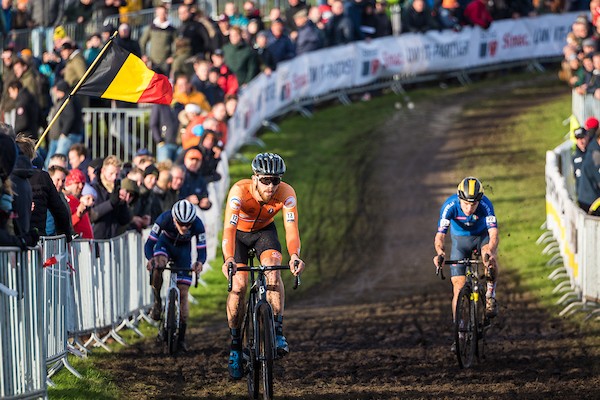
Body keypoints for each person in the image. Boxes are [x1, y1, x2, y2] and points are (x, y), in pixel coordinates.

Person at [221, 153, 305, 379]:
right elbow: (228, 229)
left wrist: (295, 255)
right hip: (239, 235)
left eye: (276, 180)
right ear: (255, 178)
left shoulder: (287, 193)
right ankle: (236, 346)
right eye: (266, 180)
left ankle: (277, 331)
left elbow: (291, 229)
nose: (271, 186)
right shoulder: (239, 191)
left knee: (273, 270)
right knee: (238, 286)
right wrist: (229, 258)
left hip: (264, 234)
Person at [432, 177, 499, 350]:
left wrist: (490, 251)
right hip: (459, 242)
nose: (469, 208)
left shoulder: (485, 205)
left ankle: (490, 294)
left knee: (488, 258)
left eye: (473, 204)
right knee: (458, 287)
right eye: (466, 204)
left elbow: (493, 235)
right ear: (459, 199)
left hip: (481, 238)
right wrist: (440, 253)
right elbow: (440, 236)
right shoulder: (449, 206)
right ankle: (459, 330)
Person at [144, 199, 206, 351]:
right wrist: (150, 259)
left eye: (188, 224)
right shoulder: (163, 219)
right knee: (159, 264)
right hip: (165, 245)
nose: (185, 227)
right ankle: (157, 301)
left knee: (183, 293)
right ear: (174, 219)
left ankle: (182, 337)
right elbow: (150, 244)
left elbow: (201, 249)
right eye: (181, 223)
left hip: (183, 253)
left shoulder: (198, 224)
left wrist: (199, 262)